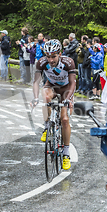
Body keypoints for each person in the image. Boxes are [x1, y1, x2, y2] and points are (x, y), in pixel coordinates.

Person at [31, 39, 76, 170]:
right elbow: (36, 82)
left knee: (65, 119)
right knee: (45, 96)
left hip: (66, 89)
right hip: (51, 86)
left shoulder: (68, 62)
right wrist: (34, 98)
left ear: (60, 54)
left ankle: (66, 153)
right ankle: (47, 126)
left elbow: (73, 83)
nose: (50, 60)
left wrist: (68, 99)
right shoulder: (42, 62)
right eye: (48, 56)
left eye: (54, 56)